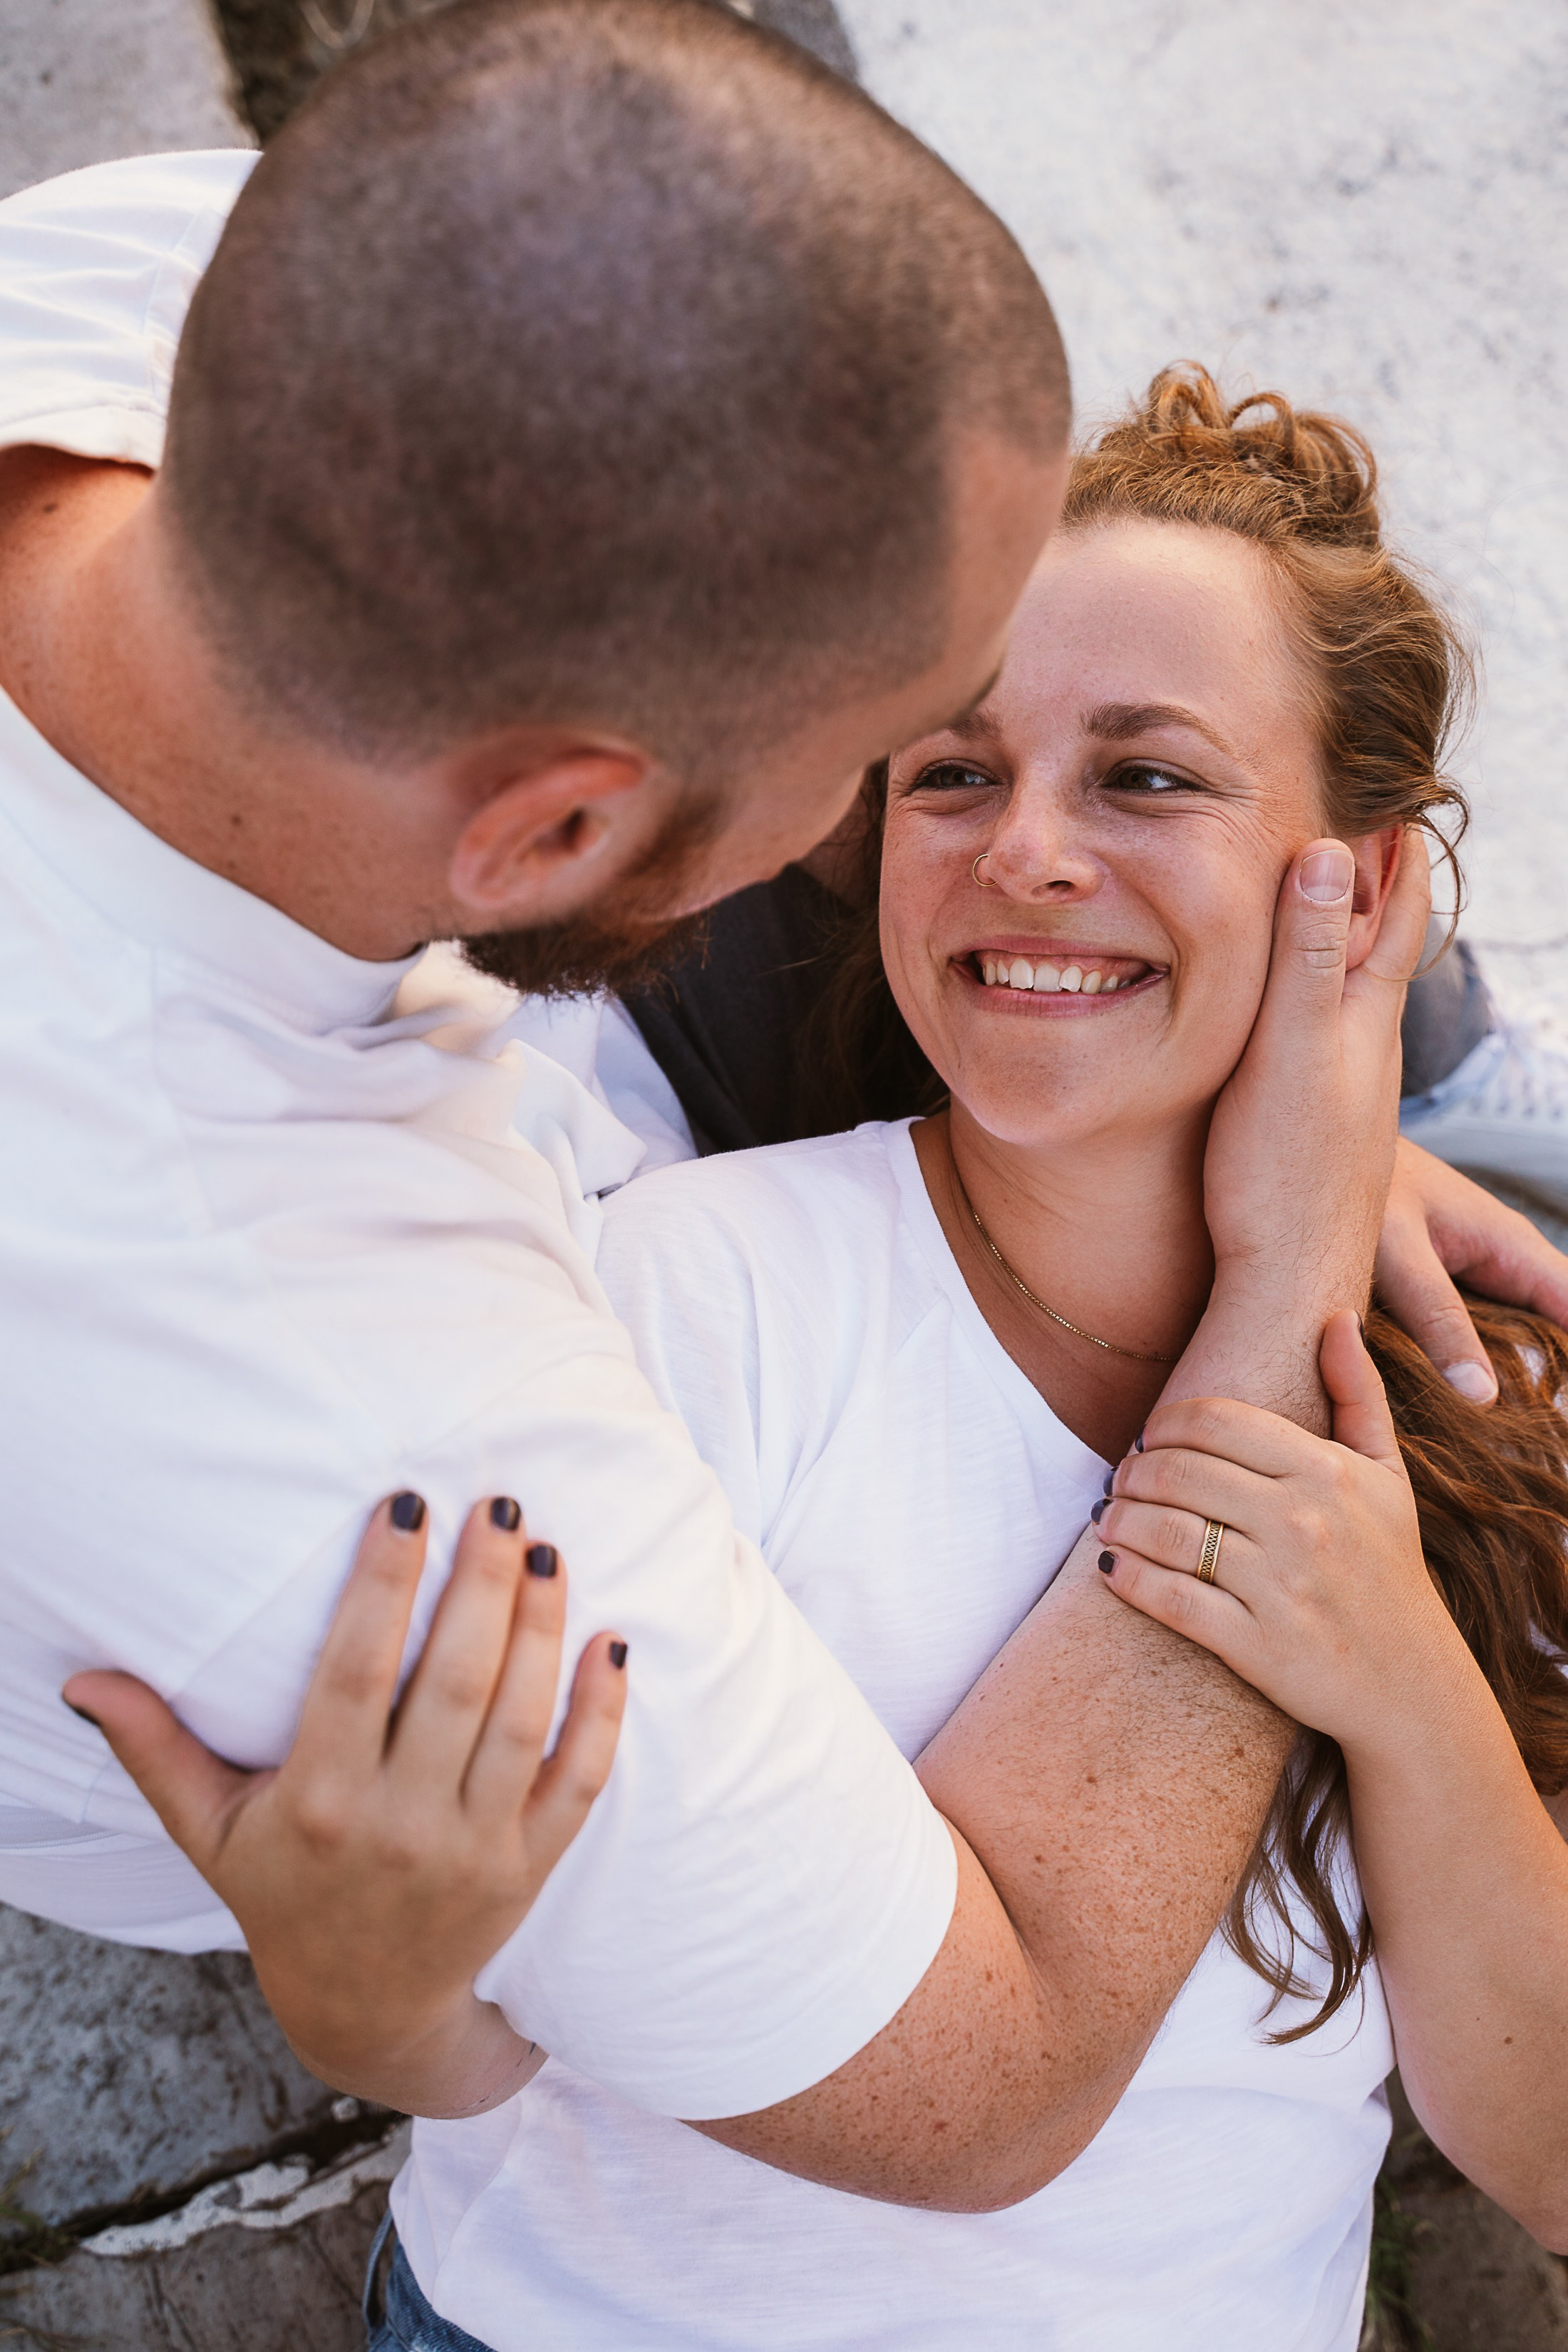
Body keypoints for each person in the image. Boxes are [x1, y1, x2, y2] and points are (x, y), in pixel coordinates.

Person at [3, 3, 1565, 2333]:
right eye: (913, 766)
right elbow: (938, 2073)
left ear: (1352, 880)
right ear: (553, 826)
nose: (995, 846)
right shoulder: (541, 1354)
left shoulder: (133, 293)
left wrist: (1415, 1662)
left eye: (1141, 777)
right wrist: (1280, 1281)